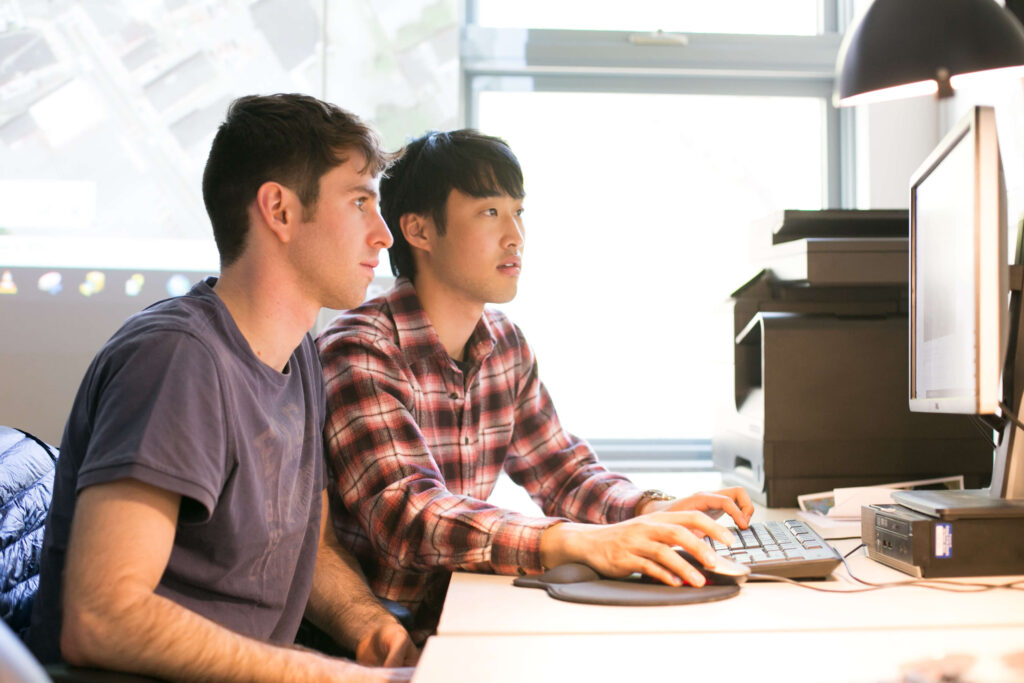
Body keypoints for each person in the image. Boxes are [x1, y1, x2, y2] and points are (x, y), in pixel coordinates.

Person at [28, 94, 416, 682]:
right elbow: (103, 618)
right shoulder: (177, 361)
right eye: (360, 201)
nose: (383, 235)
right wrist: (328, 676)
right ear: (279, 211)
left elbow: (297, 543)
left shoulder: (298, 357)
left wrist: (369, 629)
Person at [316, 129, 755, 641]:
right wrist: (575, 542)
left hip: (458, 615)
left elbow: (561, 473)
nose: (515, 237)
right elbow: (408, 516)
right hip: (370, 642)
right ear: (418, 230)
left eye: (518, 212)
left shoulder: (504, 343)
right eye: (489, 213)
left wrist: (649, 509)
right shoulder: (360, 350)